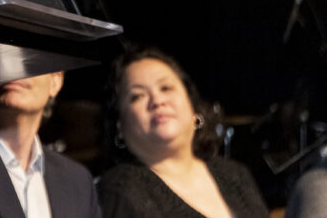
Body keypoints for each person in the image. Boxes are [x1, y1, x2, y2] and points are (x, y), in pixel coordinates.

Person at [97, 47, 269, 218]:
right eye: (138, 96)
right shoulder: (119, 190)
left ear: (193, 108)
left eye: (166, 88)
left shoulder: (234, 174)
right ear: (119, 126)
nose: (157, 100)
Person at [0, 72, 101, 218]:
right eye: (6, 53)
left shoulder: (78, 182)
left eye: (29, 55)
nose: (16, 68)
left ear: (56, 80)